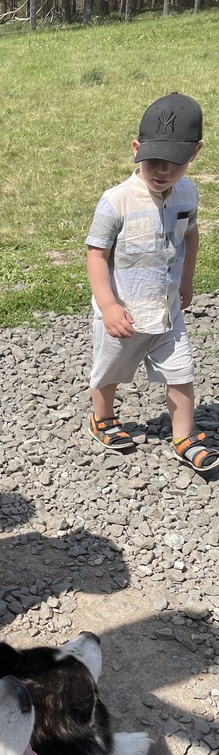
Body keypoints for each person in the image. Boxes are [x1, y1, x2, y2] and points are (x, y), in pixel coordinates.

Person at [86, 92, 218, 472]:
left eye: (172, 164)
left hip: (166, 309)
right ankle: (103, 417)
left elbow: (190, 235)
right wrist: (109, 305)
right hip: (123, 312)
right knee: (108, 370)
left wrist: (187, 279)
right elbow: (96, 253)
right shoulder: (116, 200)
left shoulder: (188, 193)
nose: (161, 171)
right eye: (152, 161)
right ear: (136, 148)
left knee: (181, 372)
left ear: (194, 154)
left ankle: (184, 436)